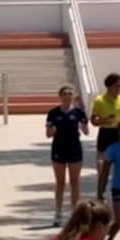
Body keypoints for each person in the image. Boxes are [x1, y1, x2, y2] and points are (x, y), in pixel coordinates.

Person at [45, 85, 90, 227]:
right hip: (59, 149)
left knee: (74, 182)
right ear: (60, 96)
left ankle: (74, 214)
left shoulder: (78, 112)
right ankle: (58, 213)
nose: (67, 96)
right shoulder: (53, 113)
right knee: (60, 183)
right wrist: (51, 129)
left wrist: (84, 127)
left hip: (74, 149)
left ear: (73, 96)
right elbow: (48, 134)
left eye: (70, 94)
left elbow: (86, 131)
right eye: (64, 94)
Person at [92, 73, 120, 166]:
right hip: (105, 132)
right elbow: (93, 120)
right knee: (101, 161)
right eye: (117, 86)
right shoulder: (99, 100)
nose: (119, 88)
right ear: (109, 86)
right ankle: (102, 179)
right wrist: (103, 121)